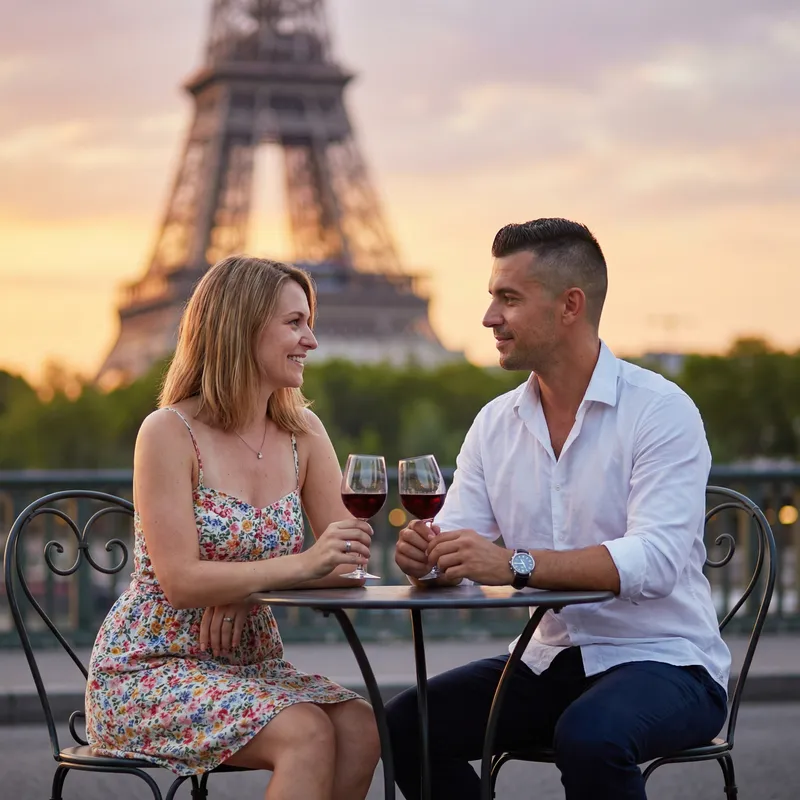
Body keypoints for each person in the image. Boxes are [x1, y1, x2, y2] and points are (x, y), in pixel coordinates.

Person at [387, 218, 730, 800]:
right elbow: (455, 540)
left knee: (591, 737)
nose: (489, 316)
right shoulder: (495, 423)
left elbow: (656, 561)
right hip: (550, 660)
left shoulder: (661, 411)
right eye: (492, 296)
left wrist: (516, 564)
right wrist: (427, 554)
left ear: (570, 305)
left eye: (509, 298)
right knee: (403, 726)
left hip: (669, 663)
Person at [86, 256, 381, 800]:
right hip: (153, 666)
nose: (311, 340)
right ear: (241, 326)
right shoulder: (168, 432)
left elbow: (348, 557)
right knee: (307, 733)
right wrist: (290, 568)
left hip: (248, 666)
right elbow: (179, 582)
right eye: (295, 323)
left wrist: (249, 587)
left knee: (361, 726)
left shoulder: (304, 432)